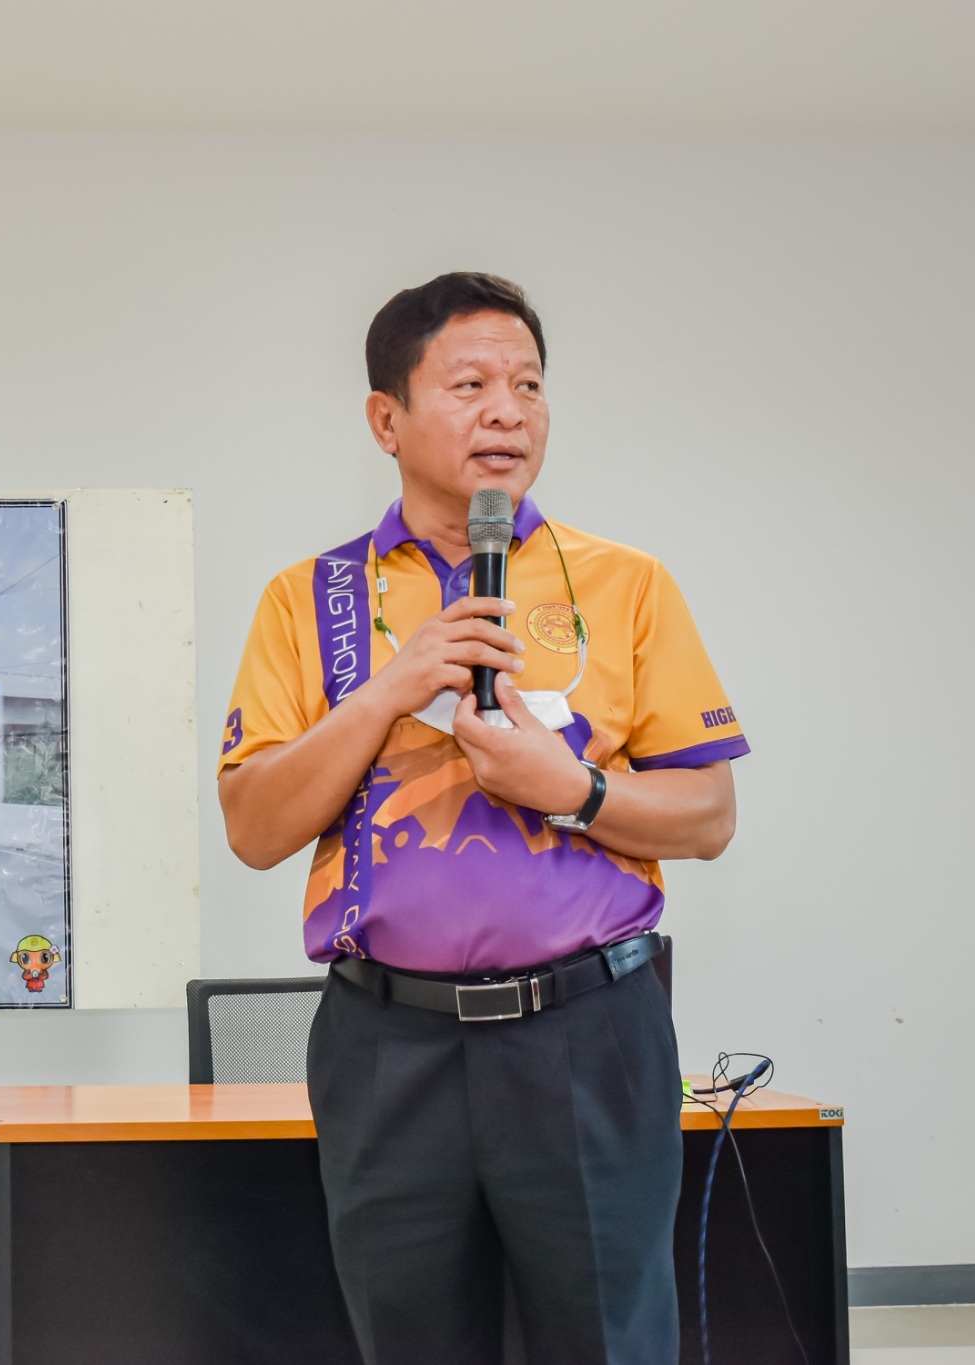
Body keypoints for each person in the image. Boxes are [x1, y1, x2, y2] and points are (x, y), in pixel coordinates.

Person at [217, 272, 749, 1364]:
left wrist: (573, 790)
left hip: (587, 1030)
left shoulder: (625, 583)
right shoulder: (308, 598)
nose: (508, 411)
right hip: (386, 1042)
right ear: (387, 419)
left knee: (607, 1341)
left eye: (529, 385)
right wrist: (386, 691)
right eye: (469, 385)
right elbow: (254, 829)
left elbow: (706, 815)